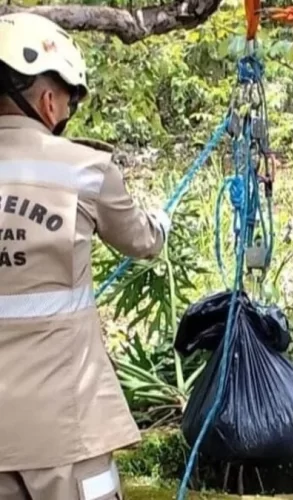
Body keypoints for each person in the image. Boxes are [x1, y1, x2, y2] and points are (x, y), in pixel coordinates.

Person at [0, 12, 169, 500]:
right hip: (65, 430)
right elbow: (141, 240)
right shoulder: (84, 171)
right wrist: (160, 224)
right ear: (49, 100)